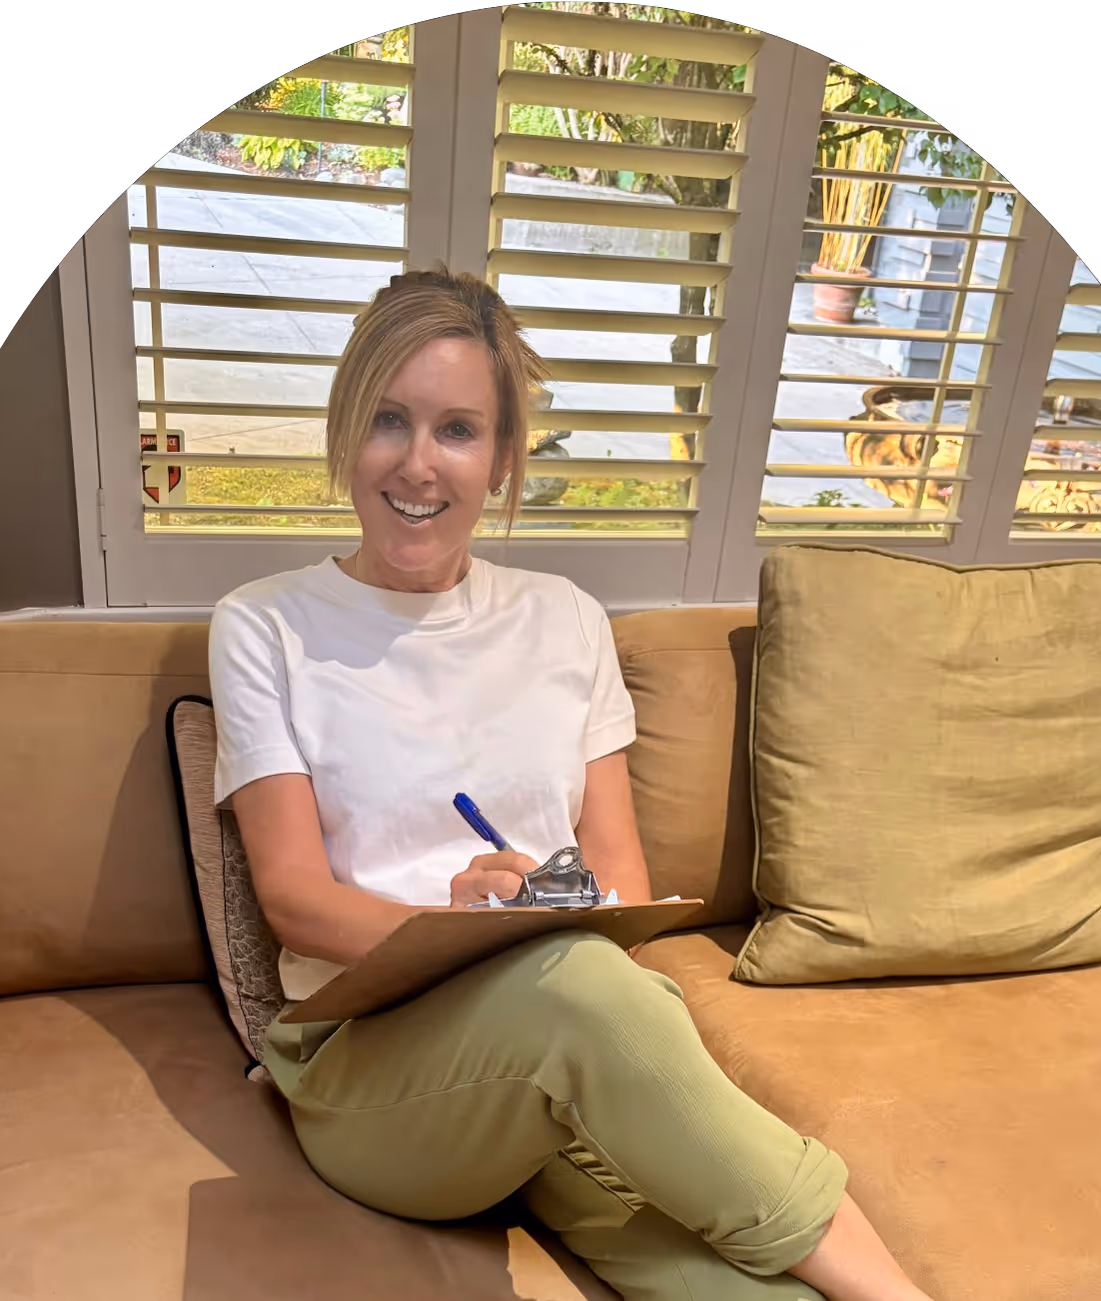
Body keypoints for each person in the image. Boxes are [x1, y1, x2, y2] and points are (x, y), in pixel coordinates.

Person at [208, 266, 934, 1301]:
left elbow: (618, 877)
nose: (418, 462)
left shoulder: (566, 618)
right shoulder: (263, 624)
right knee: (591, 993)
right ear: (345, 430)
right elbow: (294, 896)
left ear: (502, 457)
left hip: (557, 1040)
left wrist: (545, 907)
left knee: (725, 1276)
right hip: (368, 1066)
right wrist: (446, 923)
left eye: (458, 429)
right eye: (387, 419)